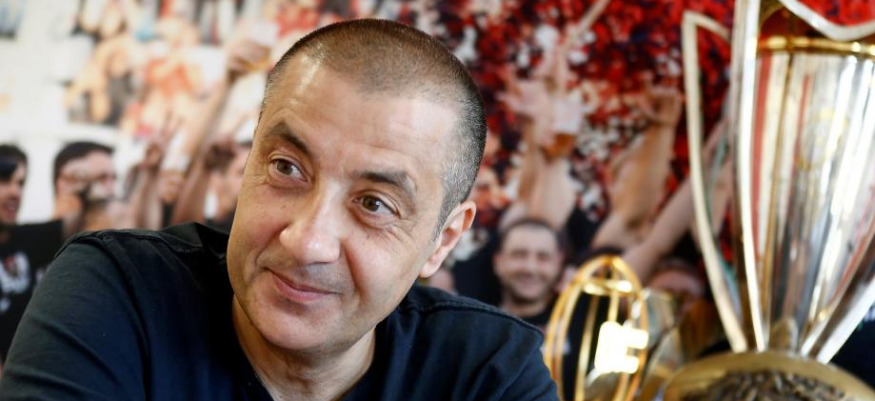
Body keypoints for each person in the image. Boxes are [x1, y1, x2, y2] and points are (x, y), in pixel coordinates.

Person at [0, 20, 559, 401]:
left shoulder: (485, 371)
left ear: (442, 240)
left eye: (374, 204)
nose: (306, 241)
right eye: (288, 168)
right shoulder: (121, 296)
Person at [0, 145, 67, 366]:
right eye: (4, 180)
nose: (15, 192)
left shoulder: (27, 237)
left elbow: (79, 223)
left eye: (21, 183)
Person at [492, 218, 565, 330]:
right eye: (519, 255)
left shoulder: (579, 326)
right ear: (498, 263)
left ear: (558, 264)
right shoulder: (475, 326)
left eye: (543, 257)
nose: (530, 268)